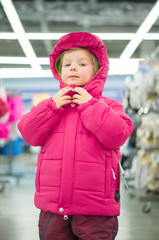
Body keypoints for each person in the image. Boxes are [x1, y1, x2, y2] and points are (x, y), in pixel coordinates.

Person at [18, 32, 134, 240]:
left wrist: (90, 105)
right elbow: (28, 133)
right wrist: (52, 107)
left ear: (97, 71)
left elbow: (117, 136)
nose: (73, 68)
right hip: (53, 207)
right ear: (58, 71)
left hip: (95, 209)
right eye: (67, 64)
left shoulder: (108, 106)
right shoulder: (51, 107)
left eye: (82, 64)